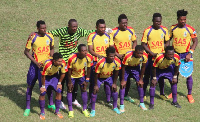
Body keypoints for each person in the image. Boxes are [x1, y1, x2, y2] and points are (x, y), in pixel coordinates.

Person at [29, 19, 95, 109]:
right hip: (63, 61)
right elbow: (48, 33)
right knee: (62, 81)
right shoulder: (62, 31)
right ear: (68, 26)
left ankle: (73, 99)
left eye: (76, 26)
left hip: (73, 61)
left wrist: (106, 30)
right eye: (73, 27)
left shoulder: (79, 31)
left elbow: (89, 32)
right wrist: (35, 33)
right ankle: (60, 101)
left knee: (73, 81)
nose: (75, 28)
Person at [23, 20, 54, 116]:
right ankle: (28, 107)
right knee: (30, 85)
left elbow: (52, 48)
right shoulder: (32, 37)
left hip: (46, 66)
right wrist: (36, 63)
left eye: (45, 28)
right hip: (35, 66)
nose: (44, 30)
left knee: (47, 86)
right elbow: (26, 52)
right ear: (37, 29)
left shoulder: (50, 36)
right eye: (42, 28)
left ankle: (51, 103)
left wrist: (51, 59)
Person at [168, 9, 198, 103]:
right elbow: (168, 39)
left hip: (186, 55)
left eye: (184, 19)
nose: (183, 21)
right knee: (174, 74)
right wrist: (168, 50)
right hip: (175, 55)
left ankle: (189, 94)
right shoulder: (173, 28)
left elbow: (196, 41)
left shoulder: (190, 29)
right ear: (178, 19)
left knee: (188, 74)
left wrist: (190, 53)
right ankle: (174, 92)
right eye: (181, 19)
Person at [141, 13, 170, 100]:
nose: (158, 23)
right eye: (157, 21)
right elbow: (143, 44)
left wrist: (165, 49)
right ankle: (144, 93)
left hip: (161, 57)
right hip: (150, 57)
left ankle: (161, 93)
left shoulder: (164, 30)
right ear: (153, 21)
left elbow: (167, 41)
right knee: (147, 75)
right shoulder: (148, 30)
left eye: (160, 21)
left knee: (160, 75)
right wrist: (151, 52)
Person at [111, 14, 137, 103]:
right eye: (123, 23)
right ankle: (112, 95)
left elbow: (135, 41)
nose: (125, 25)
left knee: (127, 77)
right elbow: (109, 46)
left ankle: (125, 94)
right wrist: (117, 54)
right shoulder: (114, 32)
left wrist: (133, 51)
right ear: (119, 23)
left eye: (126, 23)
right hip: (117, 59)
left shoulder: (131, 30)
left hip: (128, 59)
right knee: (114, 77)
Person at [87, 19, 114, 106]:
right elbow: (90, 50)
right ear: (96, 27)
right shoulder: (92, 36)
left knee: (107, 81)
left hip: (107, 62)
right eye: (101, 27)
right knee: (93, 82)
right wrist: (99, 56)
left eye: (104, 27)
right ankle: (91, 100)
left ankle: (108, 99)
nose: (103, 29)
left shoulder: (108, 36)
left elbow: (112, 48)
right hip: (95, 62)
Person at [90, 47, 121, 117]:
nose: (112, 57)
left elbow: (116, 72)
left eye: (113, 56)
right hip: (99, 78)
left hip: (109, 77)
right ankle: (92, 109)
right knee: (94, 91)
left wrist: (114, 83)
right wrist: (95, 85)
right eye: (110, 56)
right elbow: (95, 74)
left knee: (115, 89)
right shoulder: (100, 62)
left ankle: (115, 107)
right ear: (107, 55)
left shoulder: (117, 61)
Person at [67, 44, 93, 118]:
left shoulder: (89, 57)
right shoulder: (72, 58)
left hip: (81, 76)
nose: (85, 52)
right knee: (70, 90)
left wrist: (87, 80)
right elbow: (68, 71)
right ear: (78, 51)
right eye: (83, 51)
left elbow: (88, 69)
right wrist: (69, 82)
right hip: (72, 76)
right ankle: (70, 110)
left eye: (86, 50)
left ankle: (84, 109)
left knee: (84, 89)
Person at [39, 53, 67, 120]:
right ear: (54, 61)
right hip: (45, 77)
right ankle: (42, 112)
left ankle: (57, 111)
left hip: (54, 76)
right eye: (59, 61)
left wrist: (59, 83)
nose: (61, 62)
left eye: (61, 60)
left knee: (59, 90)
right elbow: (43, 76)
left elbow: (63, 73)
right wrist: (43, 86)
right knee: (43, 93)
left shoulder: (63, 63)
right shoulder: (48, 64)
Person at [120, 45, 148, 112]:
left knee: (140, 84)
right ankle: (121, 105)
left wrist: (141, 79)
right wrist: (123, 79)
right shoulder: (128, 55)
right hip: (126, 68)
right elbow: (123, 67)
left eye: (141, 53)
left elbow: (143, 67)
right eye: (138, 53)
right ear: (134, 52)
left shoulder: (145, 56)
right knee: (123, 85)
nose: (140, 55)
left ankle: (141, 103)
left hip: (136, 68)